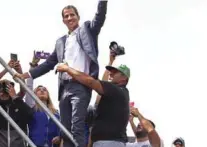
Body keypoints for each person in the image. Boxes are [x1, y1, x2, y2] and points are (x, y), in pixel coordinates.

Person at [15, 1, 108, 146]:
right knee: (65, 129)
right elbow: (48, 64)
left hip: (81, 85)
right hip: (64, 88)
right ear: (63, 20)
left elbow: (99, 18)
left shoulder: (87, 29)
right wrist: (26, 75)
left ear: (78, 17)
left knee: (77, 126)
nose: (70, 18)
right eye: (66, 16)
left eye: (72, 15)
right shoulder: (60, 42)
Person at [55, 63, 130, 147]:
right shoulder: (120, 93)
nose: (111, 74)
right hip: (109, 142)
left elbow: (90, 81)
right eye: (111, 72)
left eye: (115, 72)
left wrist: (68, 69)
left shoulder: (116, 90)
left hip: (108, 143)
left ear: (124, 78)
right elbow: (102, 84)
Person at [0, 60, 33, 147]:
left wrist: (20, 73)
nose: (5, 90)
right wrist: (6, 69)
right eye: (2, 88)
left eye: (8, 87)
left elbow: (23, 91)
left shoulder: (17, 102)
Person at [24, 58, 61, 147]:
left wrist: (59, 138)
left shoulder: (56, 112)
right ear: (34, 94)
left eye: (44, 90)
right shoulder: (32, 107)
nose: (42, 91)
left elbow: (60, 130)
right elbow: (28, 87)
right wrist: (33, 67)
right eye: (38, 90)